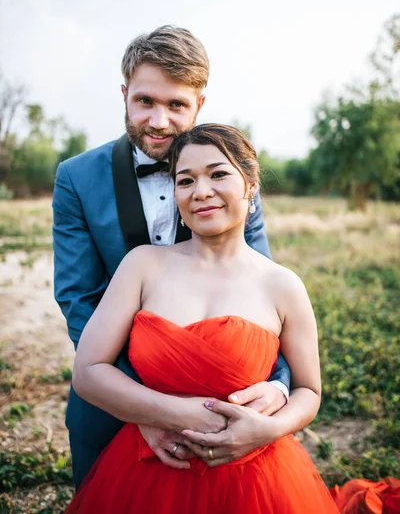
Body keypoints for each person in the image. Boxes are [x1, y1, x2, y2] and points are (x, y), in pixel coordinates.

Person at [52, 26, 291, 490]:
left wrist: (278, 385)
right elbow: (80, 299)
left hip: (222, 400)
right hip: (112, 389)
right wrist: (141, 404)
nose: (159, 121)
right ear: (124, 95)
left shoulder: (229, 180)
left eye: (176, 105)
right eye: (145, 101)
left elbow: (261, 295)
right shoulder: (76, 178)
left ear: (199, 104)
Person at [65, 123, 339, 513]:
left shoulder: (283, 286)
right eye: (185, 180)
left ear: (250, 185)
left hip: (254, 478)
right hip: (145, 472)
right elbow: (88, 370)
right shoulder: (143, 266)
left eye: (218, 174)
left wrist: (270, 429)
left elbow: (309, 392)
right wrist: (173, 413)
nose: (201, 191)